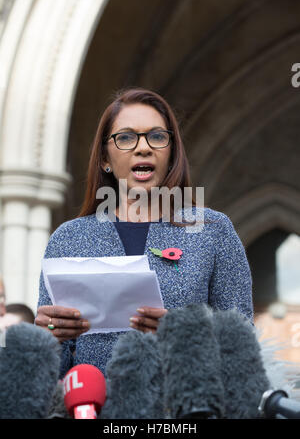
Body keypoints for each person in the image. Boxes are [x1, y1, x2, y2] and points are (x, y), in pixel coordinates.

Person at [35, 87, 253, 378]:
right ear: (105, 159)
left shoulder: (213, 231)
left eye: (157, 136)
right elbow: (51, 371)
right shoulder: (68, 239)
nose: (143, 147)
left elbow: (243, 344)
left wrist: (186, 336)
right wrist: (47, 337)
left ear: (172, 152)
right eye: (125, 137)